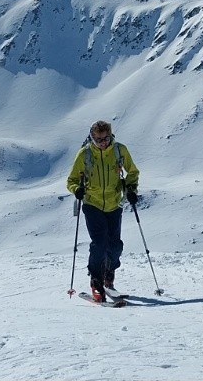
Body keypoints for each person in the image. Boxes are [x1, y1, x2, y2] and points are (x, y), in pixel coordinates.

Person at [66, 120, 140, 302]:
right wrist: (77, 190)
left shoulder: (119, 151)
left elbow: (133, 172)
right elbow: (71, 180)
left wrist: (131, 190)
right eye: (98, 139)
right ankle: (96, 280)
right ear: (92, 137)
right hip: (93, 203)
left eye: (105, 138)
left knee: (115, 246)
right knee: (100, 243)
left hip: (114, 204)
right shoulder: (85, 154)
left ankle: (109, 275)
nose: (102, 142)